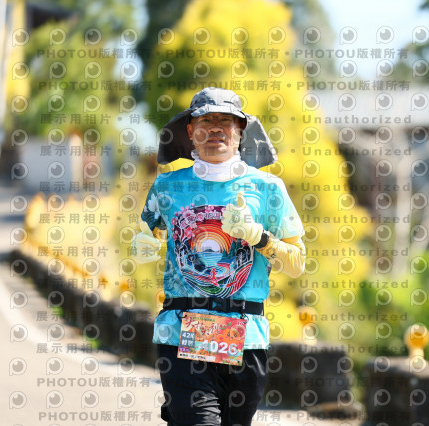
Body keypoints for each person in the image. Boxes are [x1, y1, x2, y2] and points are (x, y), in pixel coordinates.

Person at [131, 87, 306, 426]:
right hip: (182, 331)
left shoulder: (268, 188)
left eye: (225, 121)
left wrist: (258, 237)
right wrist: (142, 246)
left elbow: (297, 263)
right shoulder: (166, 187)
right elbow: (147, 235)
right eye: (205, 120)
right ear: (190, 131)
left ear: (241, 130)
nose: (215, 128)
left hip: (245, 336)